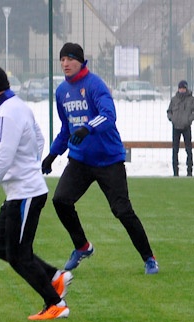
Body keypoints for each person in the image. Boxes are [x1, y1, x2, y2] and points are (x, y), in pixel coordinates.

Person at [0, 66, 72, 320]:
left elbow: (1, 163)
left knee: (19, 256)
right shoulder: (18, 107)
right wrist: (29, 165)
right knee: (1, 247)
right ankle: (56, 277)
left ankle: (56, 304)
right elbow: (39, 139)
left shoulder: (5, 115)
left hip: (26, 193)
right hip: (20, 191)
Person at [42, 43, 158, 274]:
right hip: (80, 161)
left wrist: (87, 128)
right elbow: (67, 128)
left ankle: (149, 258)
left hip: (108, 160)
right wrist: (53, 155)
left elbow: (109, 116)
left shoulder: (95, 85)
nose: (65, 64)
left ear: (81, 61)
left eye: (70, 59)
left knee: (122, 210)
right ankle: (82, 246)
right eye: (62, 59)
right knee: (60, 200)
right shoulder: (61, 92)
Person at [167, 80, 193, 177]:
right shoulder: (174, 99)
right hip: (176, 127)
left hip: (186, 127)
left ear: (186, 88)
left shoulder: (191, 99)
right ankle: (175, 171)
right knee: (175, 149)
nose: (182, 90)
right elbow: (169, 111)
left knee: (188, 149)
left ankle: (189, 170)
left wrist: (189, 120)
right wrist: (172, 119)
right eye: (180, 88)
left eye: (183, 88)